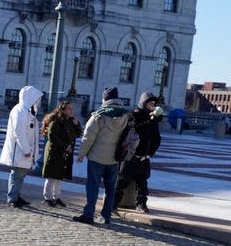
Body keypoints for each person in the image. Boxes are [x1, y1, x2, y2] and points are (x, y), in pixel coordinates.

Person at [72, 86, 130, 227]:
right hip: (115, 159)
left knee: (93, 186)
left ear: (105, 99)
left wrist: (81, 154)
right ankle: (106, 215)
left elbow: (88, 137)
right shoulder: (125, 115)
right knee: (110, 189)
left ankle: (88, 214)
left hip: (97, 157)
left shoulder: (99, 115)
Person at [114, 90, 163, 212]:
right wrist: (150, 121)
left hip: (144, 156)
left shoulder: (153, 117)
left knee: (143, 182)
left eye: (153, 103)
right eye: (149, 103)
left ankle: (141, 204)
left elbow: (156, 136)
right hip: (131, 155)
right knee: (123, 180)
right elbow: (134, 129)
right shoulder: (134, 114)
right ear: (143, 103)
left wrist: (152, 149)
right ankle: (113, 203)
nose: (152, 106)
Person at [0, 84, 42, 208]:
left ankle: (16, 195)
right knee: (16, 173)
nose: (37, 102)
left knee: (21, 174)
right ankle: (12, 197)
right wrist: (26, 149)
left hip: (26, 150)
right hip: (20, 150)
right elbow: (19, 132)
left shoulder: (27, 111)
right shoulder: (20, 111)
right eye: (36, 99)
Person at [40, 99, 80, 207]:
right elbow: (52, 136)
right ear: (63, 110)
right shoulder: (56, 121)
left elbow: (78, 134)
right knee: (51, 176)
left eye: (72, 109)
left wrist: (77, 125)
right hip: (54, 152)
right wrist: (64, 145)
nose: (72, 111)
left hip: (64, 153)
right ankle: (47, 197)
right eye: (69, 109)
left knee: (59, 177)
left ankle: (56, 197)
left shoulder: (70, 121)